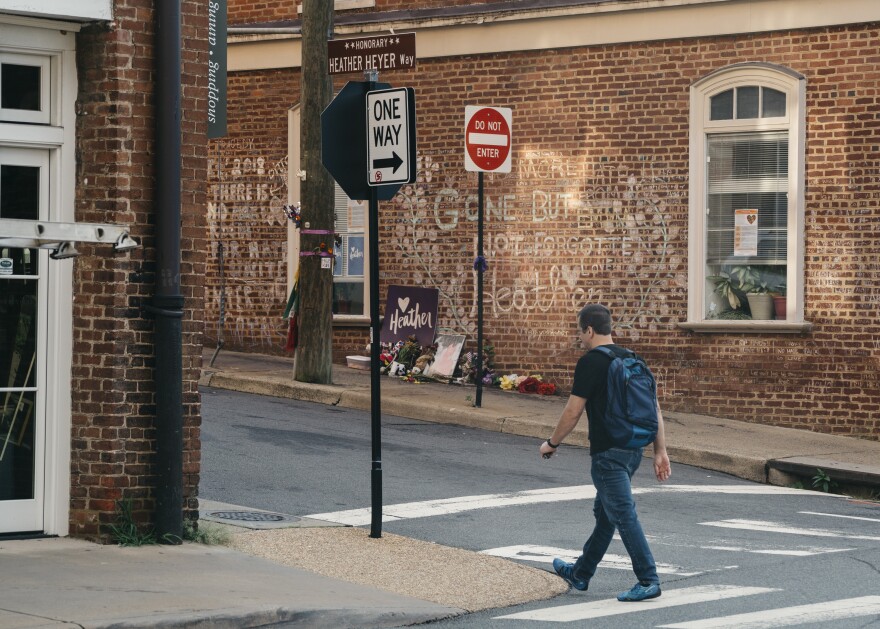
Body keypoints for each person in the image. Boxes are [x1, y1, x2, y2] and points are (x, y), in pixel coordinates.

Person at [539, 303, 671, 602]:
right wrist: (660, 450)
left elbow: (573, 411)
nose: (580, 338)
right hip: (634, 450)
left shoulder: (591, 362)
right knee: (606, 516)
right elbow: (655, 408)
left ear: (589, 329)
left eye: (580, 332)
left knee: (623, 515)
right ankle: (581, 574)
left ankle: (648, 579)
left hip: (608, 455)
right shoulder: (633, 359)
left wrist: (552, 443)